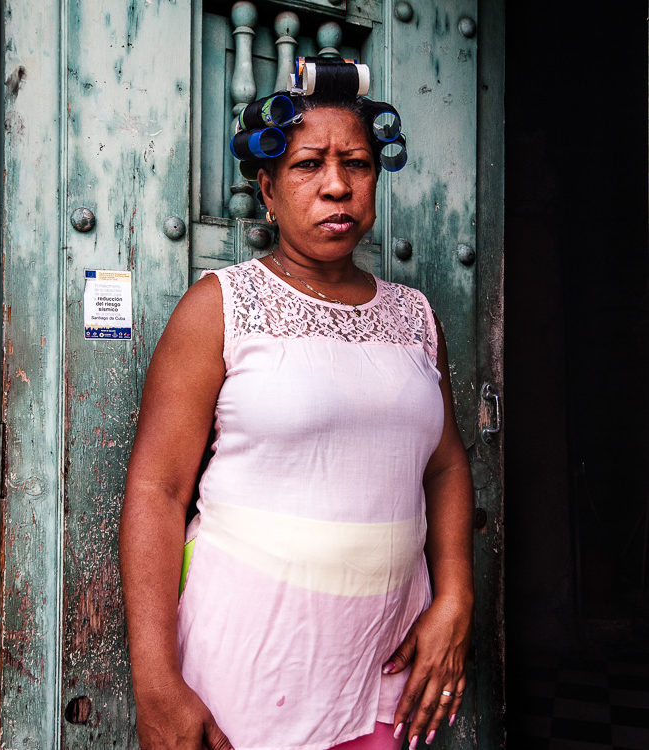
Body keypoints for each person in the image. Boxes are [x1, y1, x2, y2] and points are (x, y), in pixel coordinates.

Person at [119, 60, 474, 750]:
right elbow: (157, 490)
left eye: (359, 164)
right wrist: (156, 682)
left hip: (385, 661)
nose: (337, 185)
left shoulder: (415, 317)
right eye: (309, 164)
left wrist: (456, 594)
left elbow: (446, 466)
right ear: (269, 190)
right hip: (249, 669)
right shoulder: (222, 306)